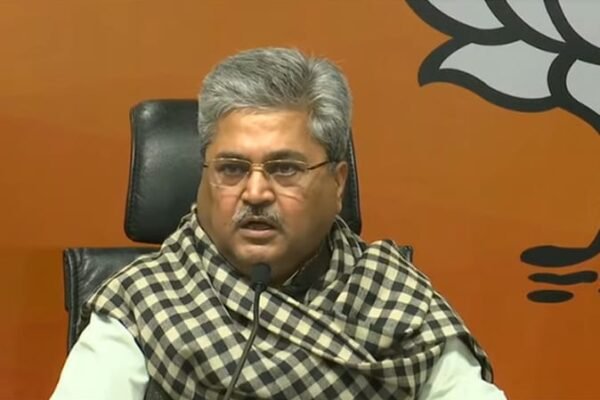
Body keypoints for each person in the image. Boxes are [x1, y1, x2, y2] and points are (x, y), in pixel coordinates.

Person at [51, 47, 506, 400]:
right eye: (232, 169)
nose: (255, 193)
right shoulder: (144, 300)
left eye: (285, 169)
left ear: (337, 182)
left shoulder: (394, 297)